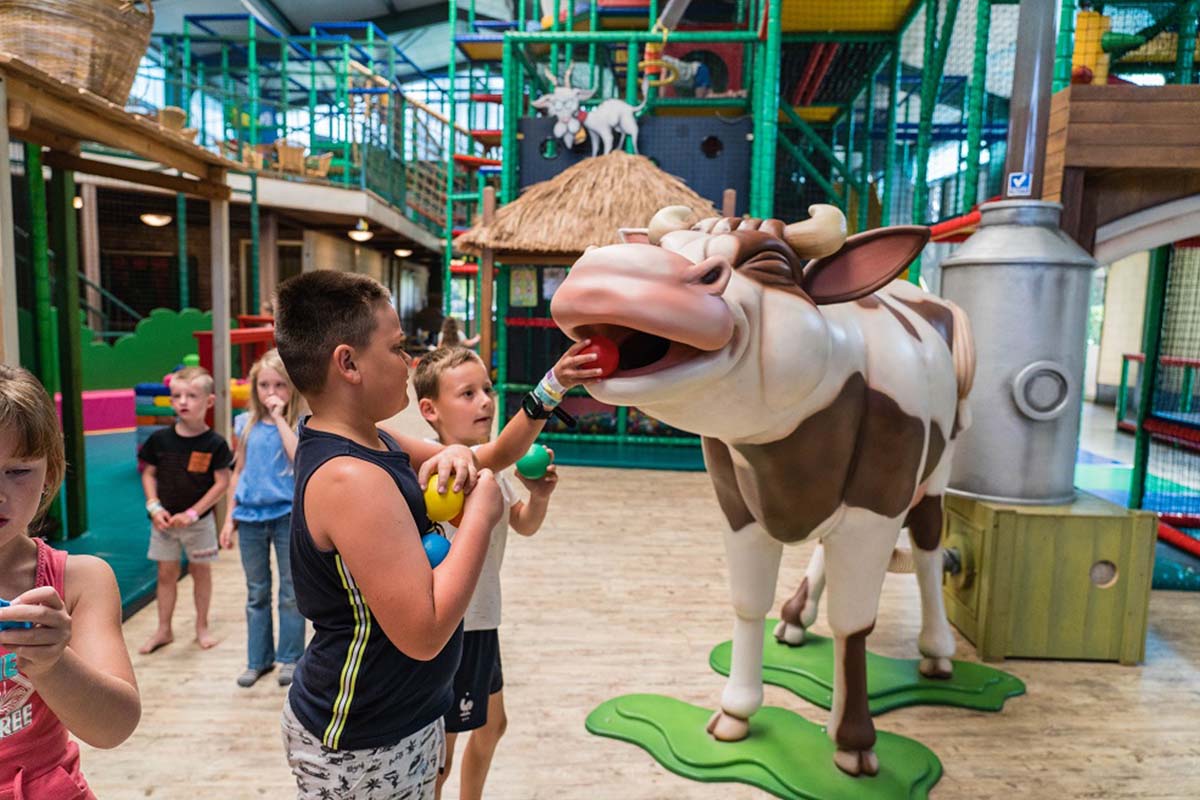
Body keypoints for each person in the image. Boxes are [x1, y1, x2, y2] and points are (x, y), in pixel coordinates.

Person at [273, 270, 504, 799]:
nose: (411, 362)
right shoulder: (351, 479)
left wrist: (452, 453)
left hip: (402, 716)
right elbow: (423, 634)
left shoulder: (372, 439)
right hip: (362, 739)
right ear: (348, 363)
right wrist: (480, 520)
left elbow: (476, 456)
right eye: (398, 347)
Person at [413, 344, 600, 800]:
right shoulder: (443, 471)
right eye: (468, 393)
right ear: (430, 410)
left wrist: (539, 496)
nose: (485, 400)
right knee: (444, 748)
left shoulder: (487, 465)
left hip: (483, 621)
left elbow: (523, 524)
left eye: (488, 389)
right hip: (457, 628)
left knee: (493, 725)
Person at [0, 365, 141, 798]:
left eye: (18, 471)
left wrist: (52, 663)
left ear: (49, 472)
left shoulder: (77, 580)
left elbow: (114, 726)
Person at [220, 350, 305, 688]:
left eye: (279, 385)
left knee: (290, 591)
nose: (271, 393)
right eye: (264, 385)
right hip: (251, 517)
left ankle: (291, 657)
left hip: (286, 515)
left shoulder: (299, 424)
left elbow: (298, 458)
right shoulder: (245, 424)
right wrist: (229, 519)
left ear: (292, 389)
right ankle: (258, 659)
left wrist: (281, 418)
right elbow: (237, 472)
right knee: (257, 591)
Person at [137, 365, 233, 654]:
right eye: (177, 396)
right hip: (163, 523)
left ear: (209, 402)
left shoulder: (215, 443)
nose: (182, 402)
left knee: (200, 571)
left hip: (199, 523)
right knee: (166, 573)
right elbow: (148, 473)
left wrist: (193, 513)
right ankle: (163, 629)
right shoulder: (159, 440)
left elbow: (221, 483)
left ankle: (201, 627)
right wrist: (154, 506)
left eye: (191, 396)